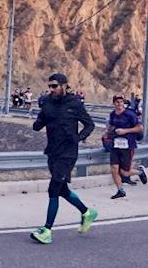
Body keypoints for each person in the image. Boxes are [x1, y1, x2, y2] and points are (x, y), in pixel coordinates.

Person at [28, 73, 97, 244]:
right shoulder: (47, 102)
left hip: (68, 153)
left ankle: (47, 230)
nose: (52, 89)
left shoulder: (74, 103)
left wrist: (79, 137)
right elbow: (40, 122)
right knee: (62, 190)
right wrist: (37, 123)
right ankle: (87, 212)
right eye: (50, 86)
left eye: (55, 86)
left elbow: (90, 124)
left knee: (53, 189)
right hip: (52, 151)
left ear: (65, 86)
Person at [105, 95, 145, 199]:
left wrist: (125, 131)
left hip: (128, 145)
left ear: (123, 103)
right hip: (115, 145)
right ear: (114, 103)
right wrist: (107, 132)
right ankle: (120, 190)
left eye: (121, 102)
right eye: (117, 102)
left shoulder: (129, 114)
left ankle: (140, 172)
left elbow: (140, 128)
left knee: (125, 172)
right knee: (114, 168)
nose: (119, 104)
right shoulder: (112, 114)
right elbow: (111, 126)